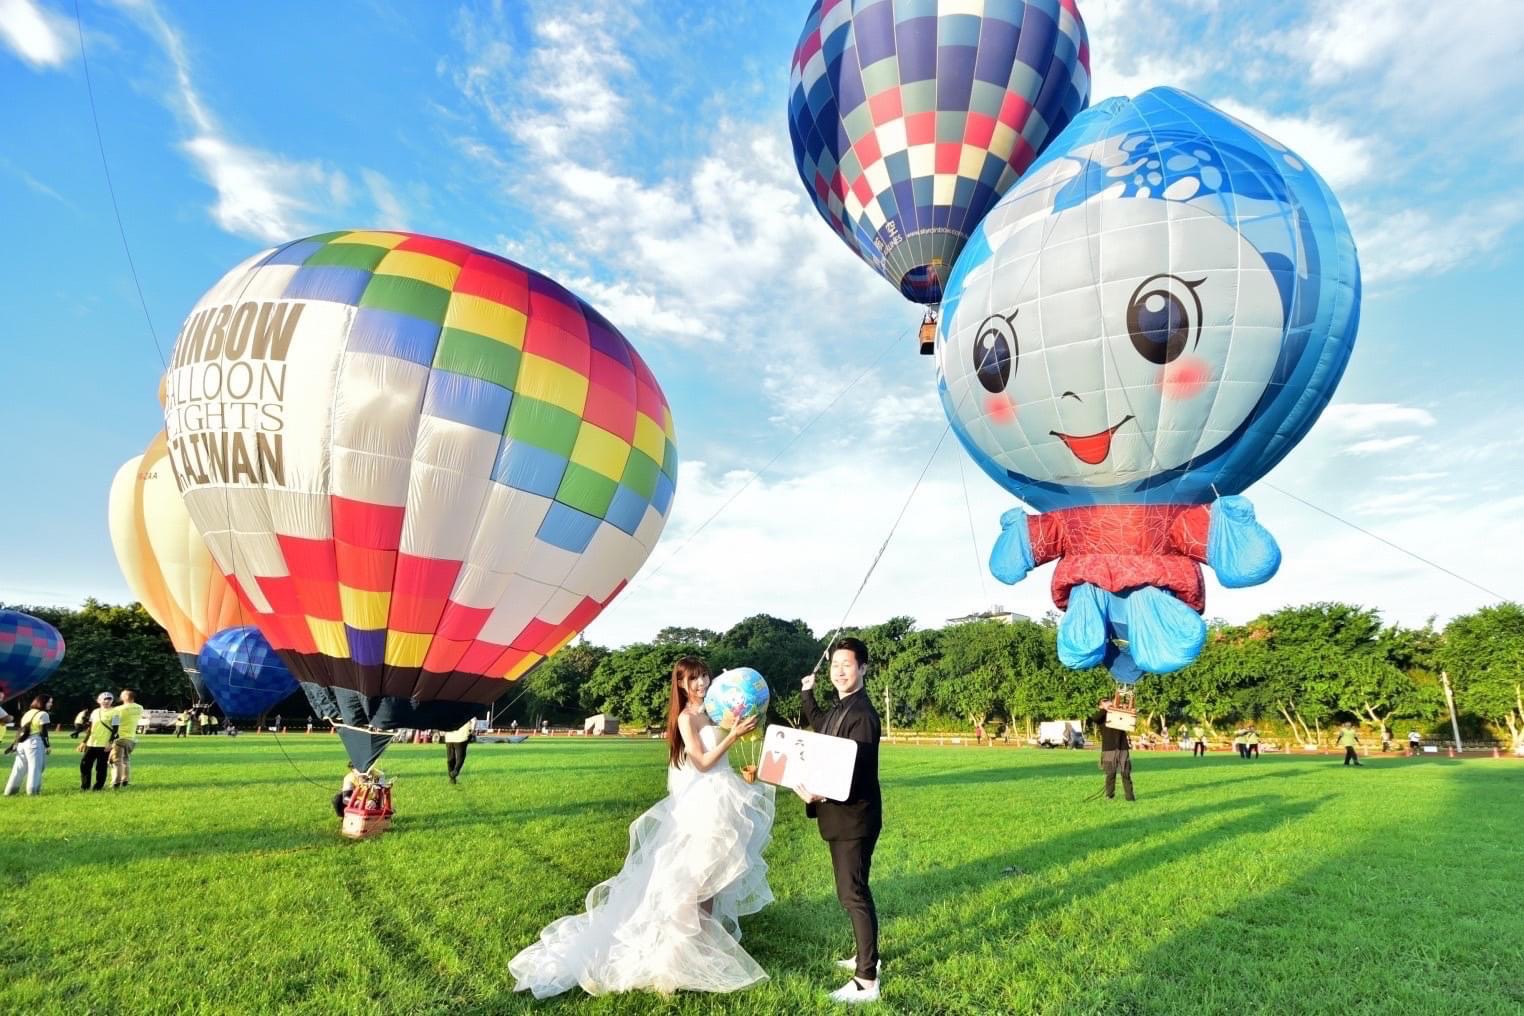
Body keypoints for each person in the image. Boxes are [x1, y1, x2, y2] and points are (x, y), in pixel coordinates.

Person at [509, 656, 772, 998]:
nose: (701, 684)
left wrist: (740, 750)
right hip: (702, 804)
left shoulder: (714, 712)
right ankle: (670, 962)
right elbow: (702, 763)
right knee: (689, 884)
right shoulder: (686, 718)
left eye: (704, 676)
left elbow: (720, 760)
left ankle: (702, 950)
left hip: (723, 800)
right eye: (693, 679)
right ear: (680, 684)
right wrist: (733, 736)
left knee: (711, 881)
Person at [797, 637, 883, 1005]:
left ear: (863, 668)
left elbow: (856, 775)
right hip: (844, 817)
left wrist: (818, 793)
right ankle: (869, 959)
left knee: (853, 894)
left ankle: (866, 980)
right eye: (835, 665)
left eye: (847, 665)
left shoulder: (862, 714)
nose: (840, 671)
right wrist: (807, 694)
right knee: (855, 891)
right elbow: (819, 724)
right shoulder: (841, 708)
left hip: (854, 818)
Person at [4, 695, 53, 796]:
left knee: (18, 769)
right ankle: (33, 793)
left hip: (22, 743)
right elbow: (44, 732)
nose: (51, 704)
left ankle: (9, 792)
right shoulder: (43, 714)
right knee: (35, 768)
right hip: (35, 742)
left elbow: (21, 730)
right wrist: (47, 746)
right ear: (42, 702)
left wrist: (15, 743)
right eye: (49, 702)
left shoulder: (28, 713)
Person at [1094, 700, 1136, 802]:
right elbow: (1095, 718)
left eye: (1109, 701)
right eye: (1105, 702)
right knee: (1110, 773)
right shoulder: (1102, 716)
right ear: (1100, 705)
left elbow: (1131, 721)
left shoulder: (1118, 713)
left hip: (1123, 747)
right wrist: (1105, 709)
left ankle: (1130, 797)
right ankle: (1109, 795)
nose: (1109, 703)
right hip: (1109, 749)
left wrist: (1129, 710)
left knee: (1126, 773)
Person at [106, 690, 145, 789]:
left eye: (122, 695)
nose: (120, 696)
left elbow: (114, 723)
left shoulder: (119, 709)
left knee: (116, 761)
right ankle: (125, 780)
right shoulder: (140, 708)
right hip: (131, 738)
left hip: (120, 737)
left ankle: (116, 782)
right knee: (126, 760)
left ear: (126, 697)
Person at [79, 692, 118, 792]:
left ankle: (98, 787)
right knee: (84, 765)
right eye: (104, 699)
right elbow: (91, 728)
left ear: (112, 701)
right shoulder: (95, 712)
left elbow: (115, 729)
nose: (107, 701)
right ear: (99, 701)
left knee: (101, 767)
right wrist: (84, 741)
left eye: (109, 699)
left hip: (104, 745)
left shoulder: (115, 712)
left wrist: (110, 743)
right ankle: (85, 786)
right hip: (91, 743)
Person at [444, 717, 474, 784]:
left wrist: (443, 733)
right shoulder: (468, 708)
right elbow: (474, 721)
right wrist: (471, 732)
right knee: (461, 757)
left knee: (450, 758)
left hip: (449, 737)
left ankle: (452, 778)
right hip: (461, 737)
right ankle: (455, 772)